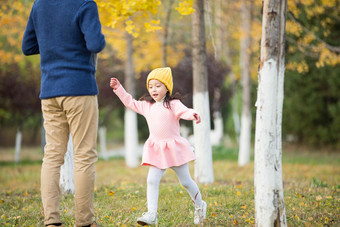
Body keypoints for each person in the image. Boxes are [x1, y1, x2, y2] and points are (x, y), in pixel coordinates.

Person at [22, 0, 106, 226]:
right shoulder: (85, 4)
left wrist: (55, 44)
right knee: (84, 156)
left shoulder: (39, 5)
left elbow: (27, 47)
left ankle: (52, 221)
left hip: (50, 92)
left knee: (52, 156)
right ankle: (85, 222)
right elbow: (95, 43)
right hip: (79, 89)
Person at [110, 67, 207, 225]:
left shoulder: (173, 104)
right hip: (157, 151)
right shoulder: (147, 106)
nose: (153, 89)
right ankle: (151, 214)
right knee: (151, 180)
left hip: (175, 150)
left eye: (158, 85)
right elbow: (130, 102)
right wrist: (119, 89)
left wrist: (193, 114)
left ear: (167, 87)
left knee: (186, 182)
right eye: (151, 86)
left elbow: (184, 111)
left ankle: (200, 205)